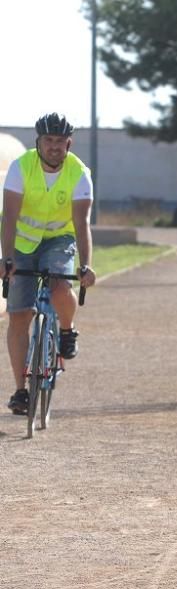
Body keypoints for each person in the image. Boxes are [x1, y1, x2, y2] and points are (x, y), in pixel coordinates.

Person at [1, 113, 97, 415]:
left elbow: (82, 224)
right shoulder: (20, 168)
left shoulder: (79, 173)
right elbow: (10, 218)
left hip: (60, 238)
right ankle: (20, 391)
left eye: (59, 141)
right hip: (22, 242)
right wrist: (7, 259)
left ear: (68, 143)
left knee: (59, 284)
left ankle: (67, 330)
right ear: (38, 142)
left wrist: (85, 265)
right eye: (48, 141)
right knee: (18, 316)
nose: (54, 147)